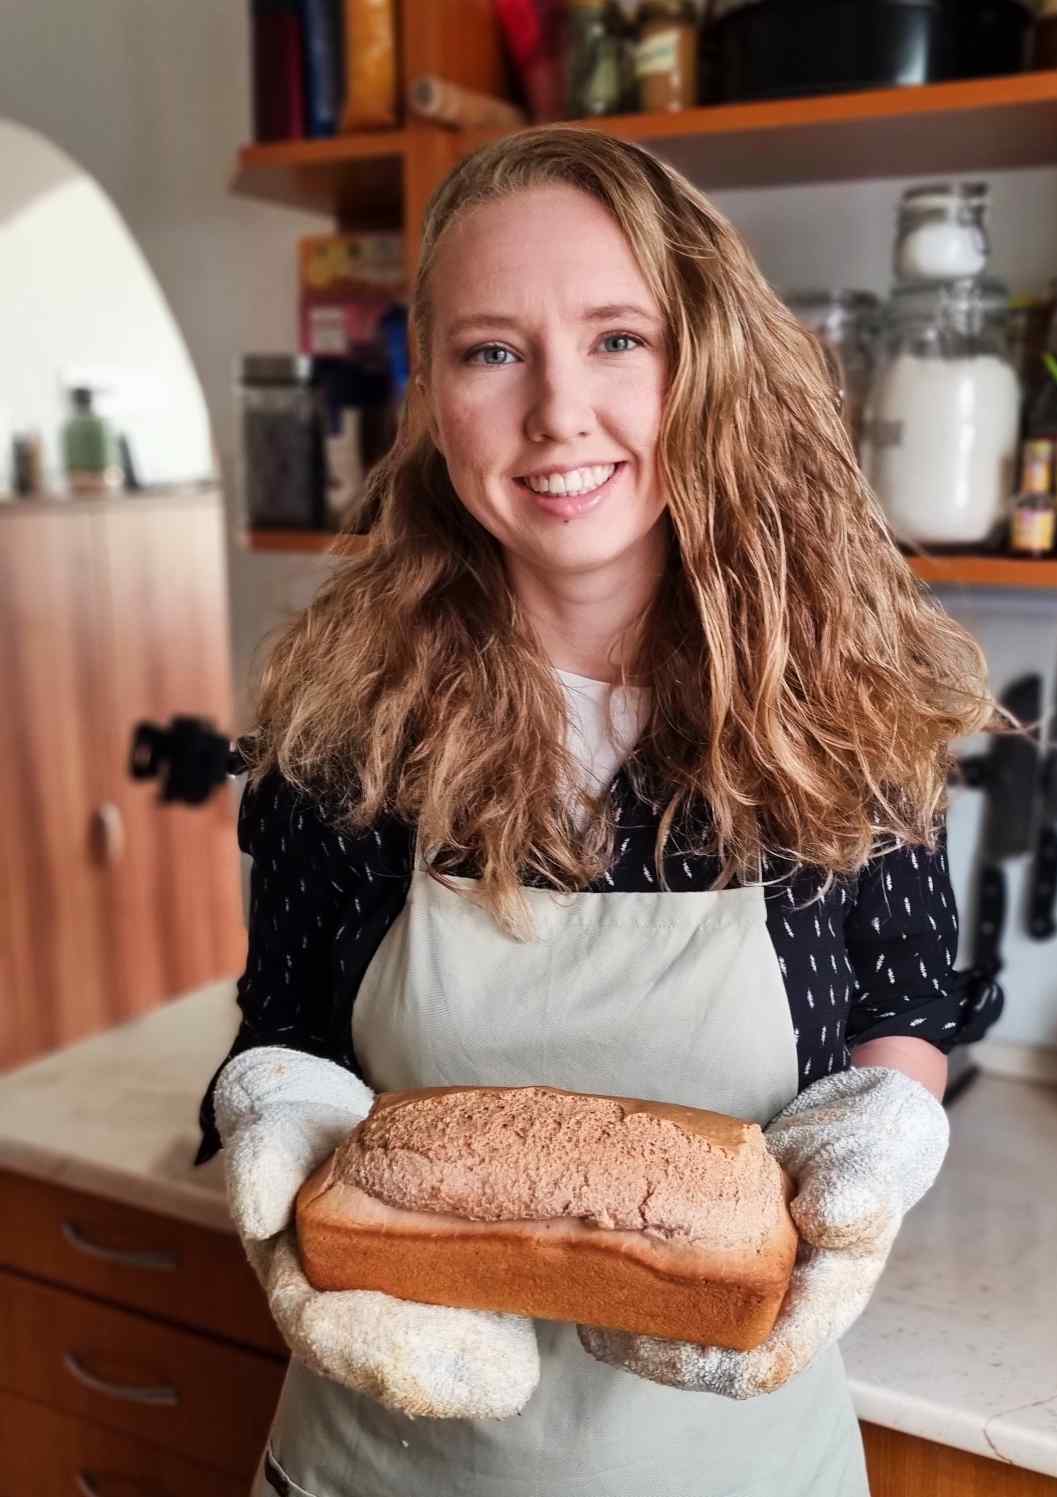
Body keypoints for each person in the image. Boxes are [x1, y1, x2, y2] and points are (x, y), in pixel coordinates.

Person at [195, 123, 1011, 1497]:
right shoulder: (345, 725)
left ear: (704, 359)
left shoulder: (849, 706)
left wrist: (883, 1132)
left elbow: (911, 995)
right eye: (492, 350)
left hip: (744, 1462)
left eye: (618, 338)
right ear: (432, 395)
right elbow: (282, 1023)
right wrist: (275, 1127)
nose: (559, 411)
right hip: (378, 1465)